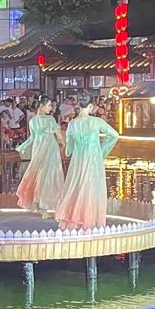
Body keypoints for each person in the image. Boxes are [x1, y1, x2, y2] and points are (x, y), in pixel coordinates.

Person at [56, 94, 119, 231]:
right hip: (93, 159)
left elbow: (68, 150)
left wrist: (72, 148)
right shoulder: (96, 122)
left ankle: (75, 219)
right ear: (90, 106)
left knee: (76, 186)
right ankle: (88, 220)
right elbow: (114, 135)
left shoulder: (72, 124)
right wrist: (101, 150)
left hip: (77, 160)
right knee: (91, 187)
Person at [15, 95, 65, 218]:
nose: (51, 108)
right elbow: (58, 134)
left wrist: (22, 146)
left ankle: (39, 203)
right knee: (51, 174)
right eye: (49, 105)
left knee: (39, 174)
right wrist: (63, 144)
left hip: (38, 149)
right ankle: (47, 205)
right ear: (41, 106)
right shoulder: (50, 119)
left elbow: (32, 138)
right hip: (49, 148)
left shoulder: (32, 121)